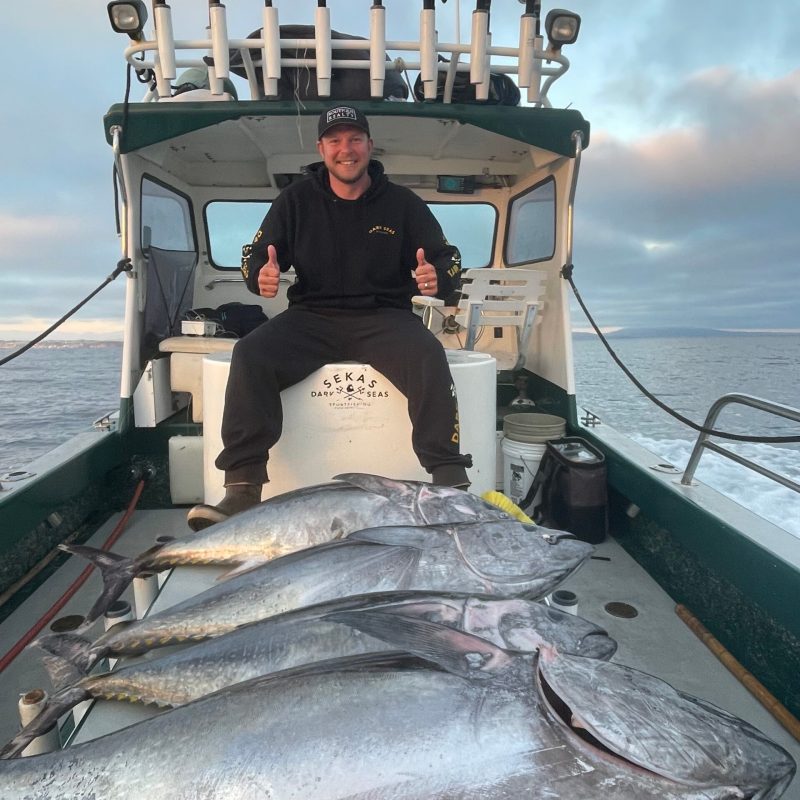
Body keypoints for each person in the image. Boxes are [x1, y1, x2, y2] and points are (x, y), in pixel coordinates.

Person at [187, 105, 472, 530]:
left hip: (384, 318)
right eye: (335, 140)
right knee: (250, 353)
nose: (346, 149)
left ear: (370, 146)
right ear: (321, 149)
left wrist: (438, 279)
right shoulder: (295, 200)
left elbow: (447, 258)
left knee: (429, 353)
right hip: (311, 317)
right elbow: (256, 255)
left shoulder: (403, 204)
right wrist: (259, 275)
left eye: (355, 139)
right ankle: (242, 489)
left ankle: (450, 484)